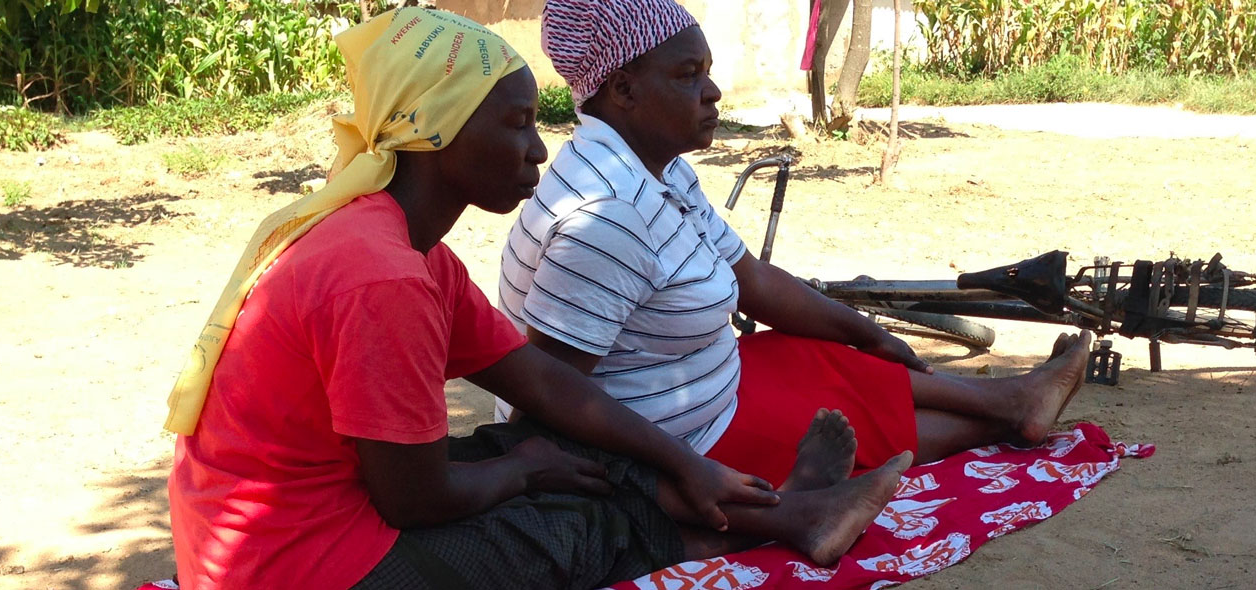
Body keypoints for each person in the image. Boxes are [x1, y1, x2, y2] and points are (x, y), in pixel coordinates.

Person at [162, 8, 909, 589]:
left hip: (312, 513)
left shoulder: (407, 249)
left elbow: (541, 380)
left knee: (581, 445)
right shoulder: (380, 276)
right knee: (571, 526)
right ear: (439, 136)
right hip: (293, 565)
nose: (539, 149)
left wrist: (686, 463)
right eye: (517, 124)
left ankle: (783, 508)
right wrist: (521, 472)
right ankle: (787, 519)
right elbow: (413, 502)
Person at [498, 0, 1093, 487]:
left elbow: (751, 279)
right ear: (622, 90)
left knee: (826, 355)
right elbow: (553, 394)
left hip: (705, 379)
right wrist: (674, 477)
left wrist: (871, 334)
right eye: (688, 76)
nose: (713, 92)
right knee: (839, 427)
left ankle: (1011, 399)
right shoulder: (608, 218)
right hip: (677, 435)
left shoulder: (656, 168)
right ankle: (1006, 418)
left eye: (706, 71)